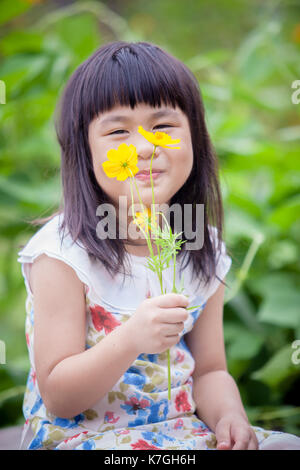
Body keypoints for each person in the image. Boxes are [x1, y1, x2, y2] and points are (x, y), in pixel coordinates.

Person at [17, 41, 300, 450]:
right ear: (85, 151)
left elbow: (210, 372)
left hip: (181, 432)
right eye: (118, 132)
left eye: (163, 126)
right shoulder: (63, 253)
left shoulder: (201, 246)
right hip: (89, 439)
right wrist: (131, 337)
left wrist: (230, 418)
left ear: (195, 138)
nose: (145, 148)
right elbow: (59, 397)